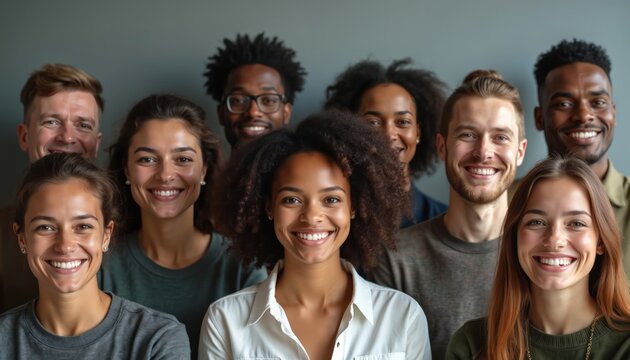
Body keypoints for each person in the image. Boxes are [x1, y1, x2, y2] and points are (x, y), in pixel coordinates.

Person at [199, 110, 431, 359]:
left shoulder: (402, 316)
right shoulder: (225, 321)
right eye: (292, 199)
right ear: (269, 207)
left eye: (331, 199)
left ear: (354, 206)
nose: (311, 217)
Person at [369, 70, 528, 359]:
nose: (483, 152)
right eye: (468, 135)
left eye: (500, 137)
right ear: (442, 147)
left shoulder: (546, 255)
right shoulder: (394, 260)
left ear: (520, 151)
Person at [100, 94, 266, 356]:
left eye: (183, 159)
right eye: (147, 159)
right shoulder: (100, 266)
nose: (165, 174)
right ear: (127, 169)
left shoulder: (242, 268)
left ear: (204, 170)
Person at [0, 152, 190, 359]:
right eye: (45, 227)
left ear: (106, 235)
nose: (65, 245)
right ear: (22, 239)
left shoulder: (157, 338)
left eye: (82, 226)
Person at [447, 155, 630, 359]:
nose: (554, 239)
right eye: (536, 222)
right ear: (515, 237)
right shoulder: (472, 345)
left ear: (601, 242)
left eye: (576, 223)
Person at [1, 63, 104, 312]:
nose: (67, 137)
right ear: (25, 136)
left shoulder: (134, 227)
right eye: (51, 122)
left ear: (97, 143)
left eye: (83, 125)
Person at [531, 39, 630, 278]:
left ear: (613, 114)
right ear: (539, 117)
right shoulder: (508, 204)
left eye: (598, 103)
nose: (584, 115)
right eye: (564, 104)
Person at [325, 58, 448, 227]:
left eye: (403, 122)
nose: (389, 134)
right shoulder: (330, 219)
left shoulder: (442, 220)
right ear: (351, 129)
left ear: (418, 133)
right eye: (373, 122)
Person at [203, 32, 306, 148]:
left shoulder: (308, 166)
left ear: (286, 113)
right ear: (221, 113)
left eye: (268, 100)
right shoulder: (202, 166)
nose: (253, 112)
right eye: (238, 100)